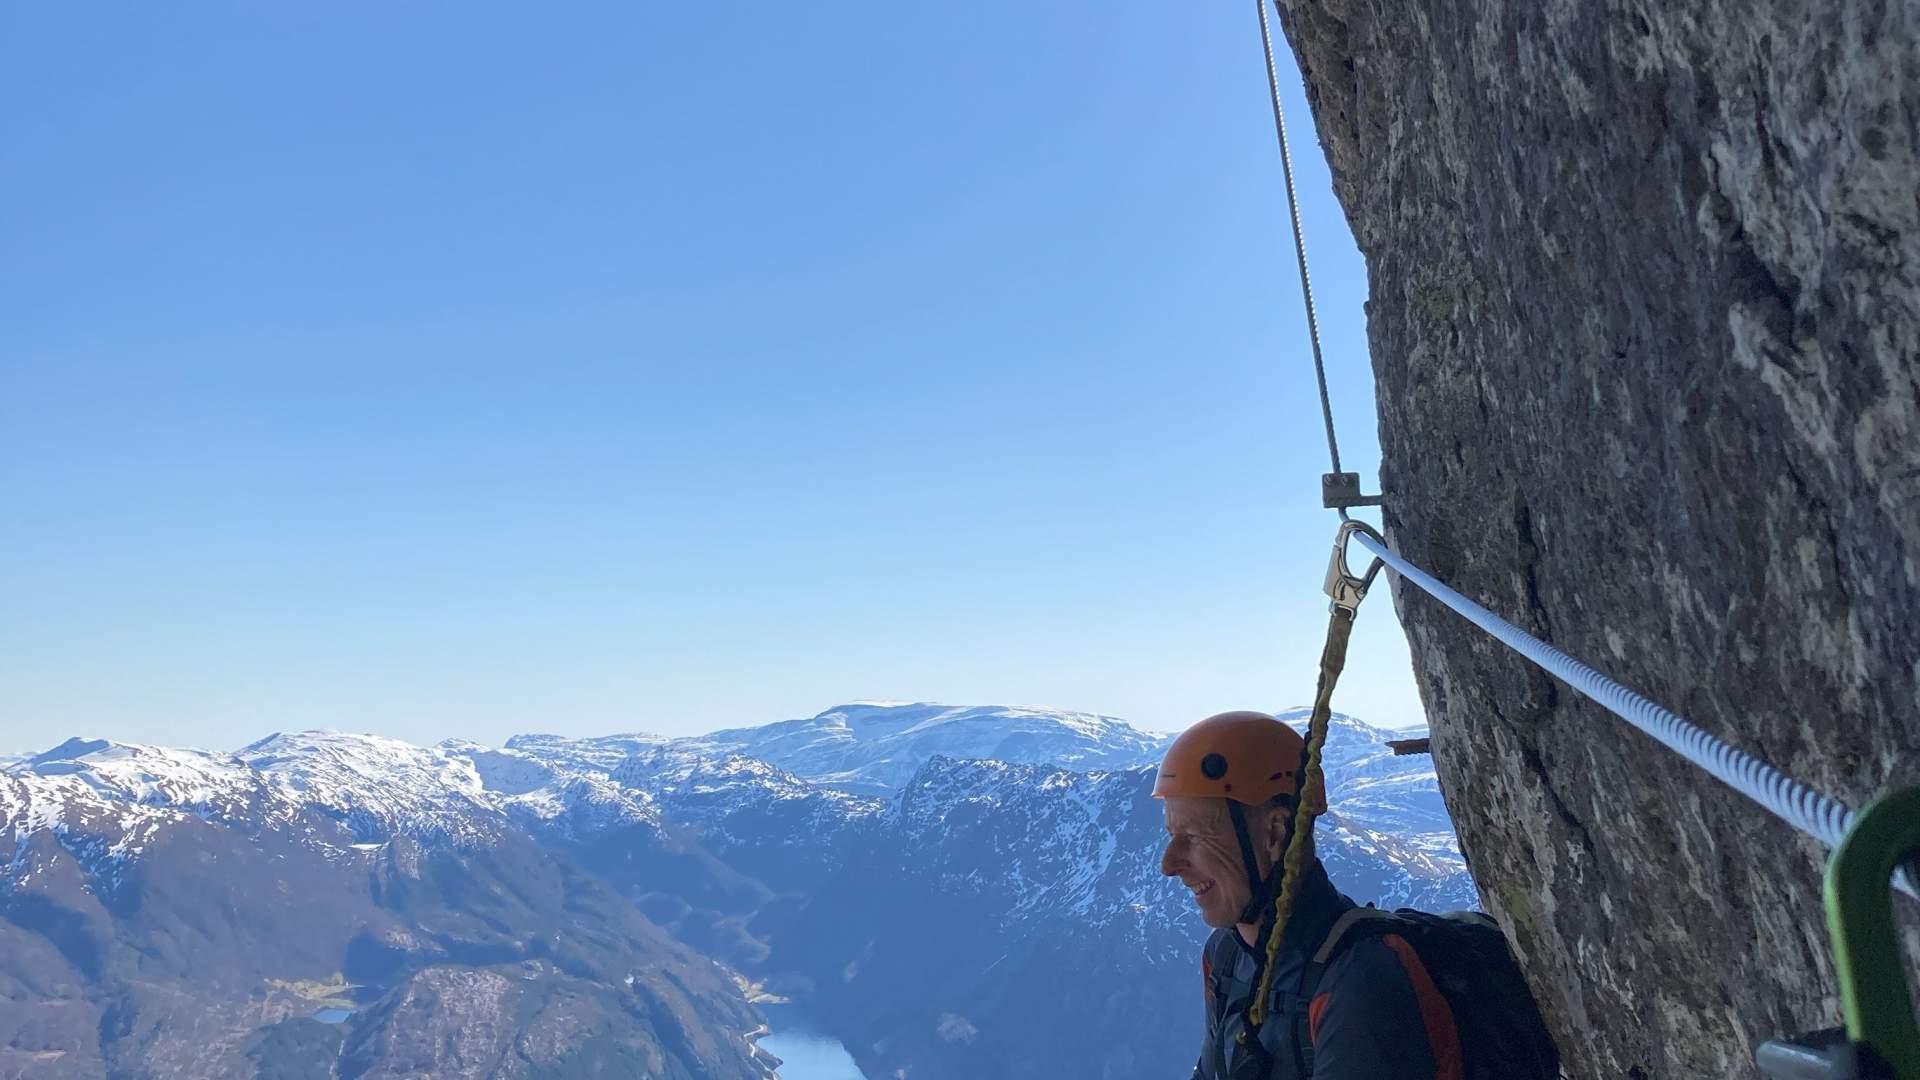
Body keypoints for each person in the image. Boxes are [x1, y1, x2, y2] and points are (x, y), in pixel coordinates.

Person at [1157, 710, 1464, 1080]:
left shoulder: (1359, 982)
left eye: (1194, 836)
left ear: (1275, 833)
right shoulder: (1225, 956)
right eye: (1172, 836)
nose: (1169, 864)